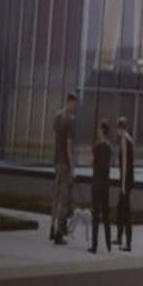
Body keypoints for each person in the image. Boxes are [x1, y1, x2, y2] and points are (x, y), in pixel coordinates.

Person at [49, 92, 77, 244]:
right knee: (64, 200)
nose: (75, 107)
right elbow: (68, 146)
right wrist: (72, 167)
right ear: (69, 102)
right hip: (65, 163)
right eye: (74, 104)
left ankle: (52, 228)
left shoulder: (56, 116)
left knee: (56, 197)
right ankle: (59, 232)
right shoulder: (69, 120)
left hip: (57, 162)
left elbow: (56, 139)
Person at [89, 120, 113, 254]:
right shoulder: (109, 147)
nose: (97, 132)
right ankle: (109, 244)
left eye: (99, 130)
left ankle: (94, 245)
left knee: (95, 214)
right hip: (105, 184)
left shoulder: (96, 147)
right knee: (106, 214)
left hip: (96, 183)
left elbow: (91, 163)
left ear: (102, 131)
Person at [113, 115, 135, 251]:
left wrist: (122, 185)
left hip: (125, 181)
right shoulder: (129, 139)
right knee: (120, 208)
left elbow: (125, 164)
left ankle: (128, 242)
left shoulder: (124, 140)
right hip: (128, 180)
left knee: (125, 211)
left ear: (119, 128)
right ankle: (120, 236)